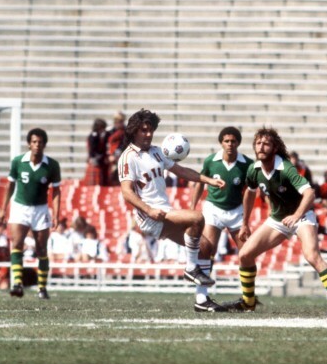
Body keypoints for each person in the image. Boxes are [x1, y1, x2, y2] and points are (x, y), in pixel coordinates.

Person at [228, 127, 327, 312]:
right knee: (244, 255)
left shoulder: (286, 168)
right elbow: (249, 192)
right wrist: (245, 223)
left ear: (275, 147)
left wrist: (296, 215)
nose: (261, 147)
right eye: (258, 143)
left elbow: (310, 193)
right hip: (277, 220)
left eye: (266, 143)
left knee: (312, 256)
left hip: (301, 217)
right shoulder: (253, 169)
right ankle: (248, 302)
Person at [118, 109, 225, 287]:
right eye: (144, 130)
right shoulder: (128, 157)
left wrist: (209, 180)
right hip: (150, 217)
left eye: (151, 130)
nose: (149, 134)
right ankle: (191, 268)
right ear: (134, 131)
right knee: (197, 218)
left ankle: (202, 301)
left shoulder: (157, 152)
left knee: (206, 247)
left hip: (165, 212)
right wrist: (149, 210)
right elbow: (127, 192)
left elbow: (181, 171)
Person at [190, 126, 253, 312]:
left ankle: (248, 299)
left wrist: (245, 221)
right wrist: (193, 208)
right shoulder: (212, 161)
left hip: (236, 210)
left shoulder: (247, 164)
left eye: (233, 141)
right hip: (213, 208)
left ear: (238, 143)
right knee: (207, 248)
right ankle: (201, 297)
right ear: (221, 143)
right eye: (226, 141)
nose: (230, 144)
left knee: (247, 253)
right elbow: (200, 182)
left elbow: (251, 192)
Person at [0, 128, 61, 300]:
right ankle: (17, 284)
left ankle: (42, 288)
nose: (37, 145)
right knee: (17, 244)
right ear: (29, 143)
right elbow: (10, 185)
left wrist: (56, 213)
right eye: (34, 142)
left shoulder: (52, 165)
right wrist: (3, 208)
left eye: (40, 142)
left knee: (42, 249)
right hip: (20, 207)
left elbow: (56, 191)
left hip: (41, 209)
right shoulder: (18, 161)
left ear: (44, 144)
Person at [84, 118, 109, 186]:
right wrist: (96, 157)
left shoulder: (99, 135)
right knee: (93, 182)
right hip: (94, 160)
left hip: (98, 159)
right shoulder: (93, 136)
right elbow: (92, 149)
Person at [107, 112, 127, 186]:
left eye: (121, 121)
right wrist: (110, 154)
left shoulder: (126, 131)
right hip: (111, 154)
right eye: (117, 121)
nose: (119, 123)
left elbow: (124, 143)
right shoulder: (110, 130)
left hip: (121, 154)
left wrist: (116, 154)